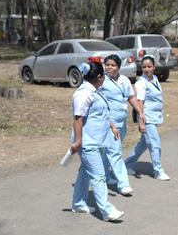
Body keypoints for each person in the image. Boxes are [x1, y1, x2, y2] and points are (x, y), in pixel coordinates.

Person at [69, 61, 125, 222]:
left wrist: (112, 126)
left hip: (98, 140)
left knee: (85, 172)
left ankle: (78, 203)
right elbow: (78, 119)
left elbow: (100, 113)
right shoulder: (83, 94)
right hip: (88, 143)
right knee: (99, 176)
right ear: (99, 77)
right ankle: (107, 210)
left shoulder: (95, 90)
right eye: (104, 76)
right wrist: (78, 141)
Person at [98, 54, 143, 196]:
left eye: (112, 65)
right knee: (115, 152)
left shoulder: (124, 80)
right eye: (107, 64)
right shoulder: (102, 80)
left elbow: (131, 97)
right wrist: (108, 121)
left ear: (118, 67)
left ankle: (105, 175)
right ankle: (123, 184)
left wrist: (140, 113)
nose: (109, 67)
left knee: (109, 150)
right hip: (109, 122)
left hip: (122, 121)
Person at [124, 55, 170, 180]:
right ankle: (158, 171)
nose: (146, 69)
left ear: (154, 67)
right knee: (155, 144)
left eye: (149, 66)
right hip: (146, 117)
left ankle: (126, 165)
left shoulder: (154, 78)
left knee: (143, 144)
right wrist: (141, 121)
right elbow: (140, 102)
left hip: (154, 116)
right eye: (144, 67)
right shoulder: (141, 82)